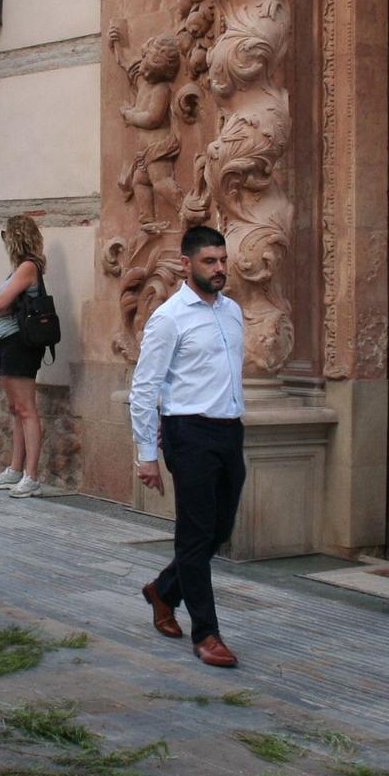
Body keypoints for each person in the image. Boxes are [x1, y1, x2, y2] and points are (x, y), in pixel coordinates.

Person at [130, 224, 246, 668]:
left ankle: (163, 589)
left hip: (229, 431)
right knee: (195, 535)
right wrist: (147, 454)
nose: (219, 269)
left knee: (219, 530)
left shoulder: (232, 311)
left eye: (222, 261)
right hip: (189, 433)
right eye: (209, 262)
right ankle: (207, 633)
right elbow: (145, 387)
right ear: (186, 263)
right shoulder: (170, 317)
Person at [0, 214, 48, 497]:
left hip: (20, 344)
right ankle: (15, 467)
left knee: (26, 408)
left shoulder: (27, 267)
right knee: (15, 409)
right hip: (10, 342)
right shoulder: (19, 270)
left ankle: (31, 474)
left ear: (14, 237)